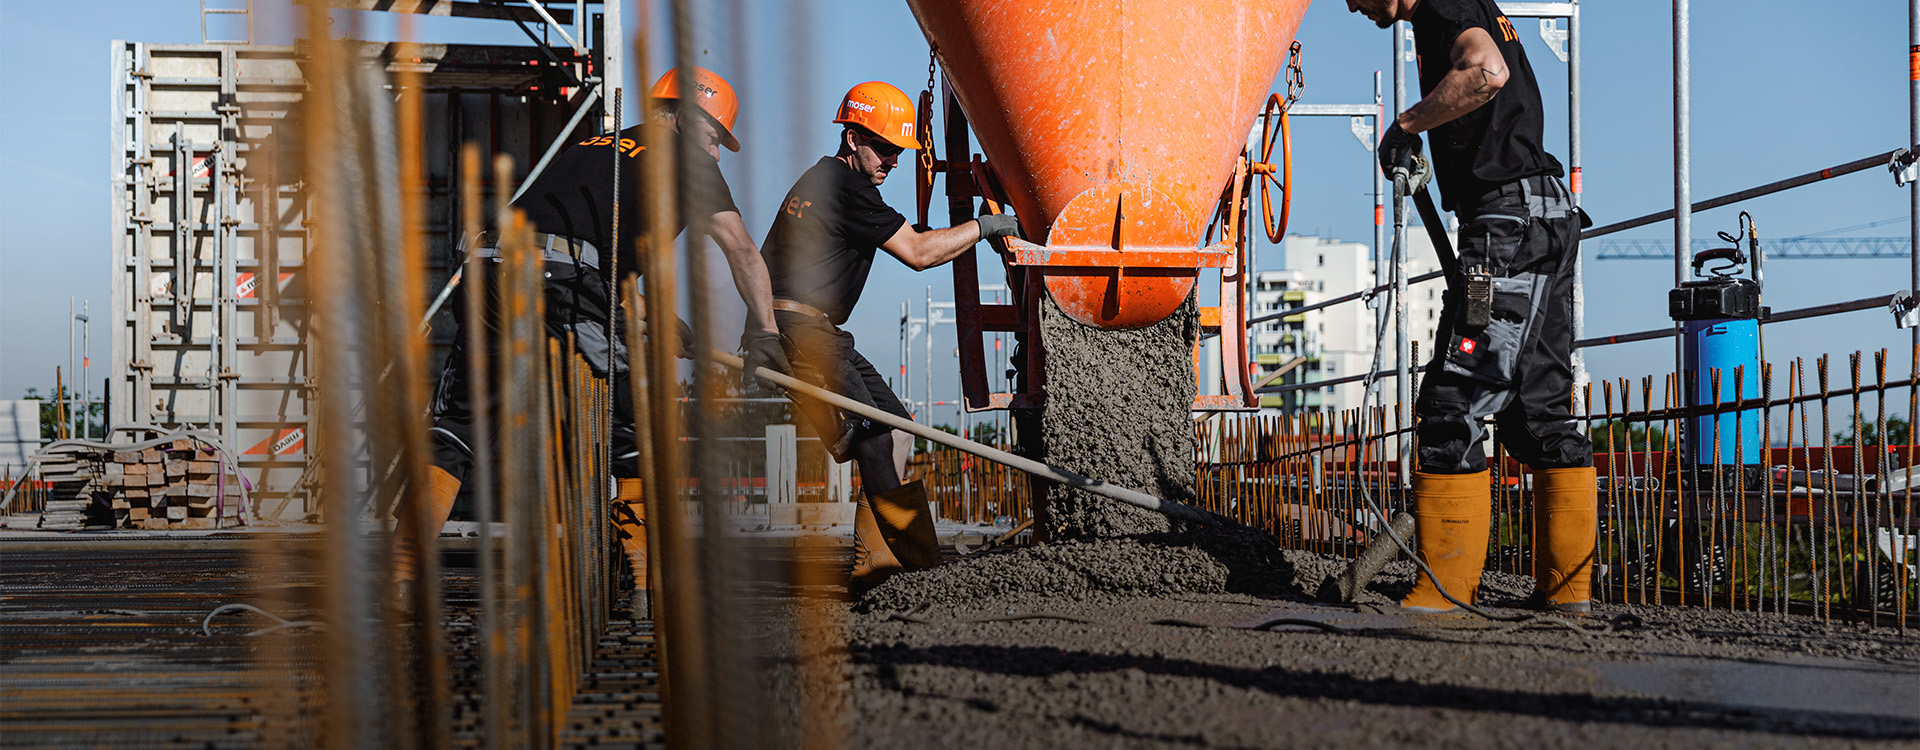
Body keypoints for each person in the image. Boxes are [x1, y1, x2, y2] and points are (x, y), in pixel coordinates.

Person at [395, 67, 793, 591]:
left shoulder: (597, 146)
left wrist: (652, 316)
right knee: (630, 423)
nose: (716, 154)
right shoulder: (687, 158)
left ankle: (401, 569)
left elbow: (582, 252)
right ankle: (644, 579)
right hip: (554, 278)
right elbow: (741, 250)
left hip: (491, 266)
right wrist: (765, 333)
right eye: (714, 136)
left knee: (460, 427)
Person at [1347, 0, 1596, 613]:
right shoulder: (1462, 7)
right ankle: (1568, 594)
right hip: (1539, 217)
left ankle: (1444, 595)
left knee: (1452, 404)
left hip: (1508, 224)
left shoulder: (1443, 5)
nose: (1352, 5)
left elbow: (1486, 71)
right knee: (1536, 412)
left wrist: (1407, 125)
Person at [759, 81, 1022, 590]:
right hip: (801, 330)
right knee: (874, 437)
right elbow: (919, 254)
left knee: (898, 430)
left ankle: (874, 560)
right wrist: (987, 226)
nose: (894, 161)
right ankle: (914, 562)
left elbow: (911, 238)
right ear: (853, 137)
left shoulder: (824, 180)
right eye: (884, 148)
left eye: (899, 152)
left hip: (820, 329)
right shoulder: (848, 188)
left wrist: (965, 232)